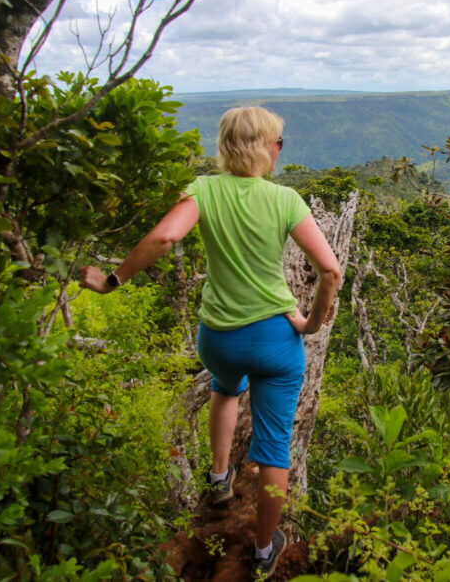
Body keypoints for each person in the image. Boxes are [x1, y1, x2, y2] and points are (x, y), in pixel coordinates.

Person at [79, 106, 341, 578]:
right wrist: (313, 323)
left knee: (225, 388)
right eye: (278, 142)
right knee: (273, 449)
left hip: (218, 336)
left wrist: (112, 281)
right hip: (276, 339)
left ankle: (218, 480)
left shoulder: (203, 189)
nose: (280, 150)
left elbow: (163, 237)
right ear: (264, 147)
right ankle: (264, 549)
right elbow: (330, 269)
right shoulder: (285, 200)